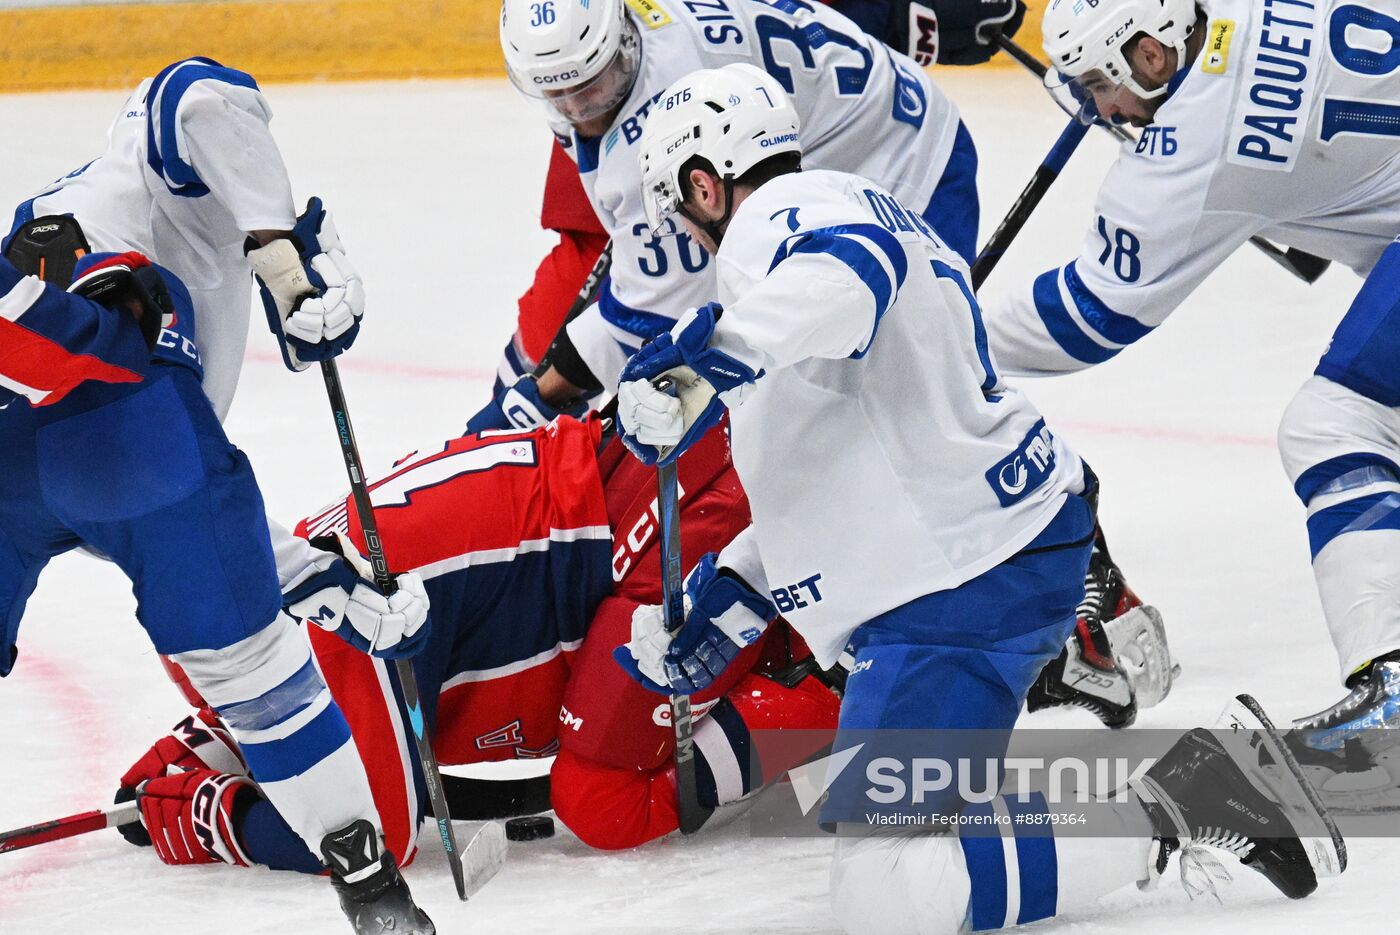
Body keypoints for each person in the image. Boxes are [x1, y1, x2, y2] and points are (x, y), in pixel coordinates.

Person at [614, 62, 1341, 933]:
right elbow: (845, 447)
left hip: (958, 582)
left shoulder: (778, 226)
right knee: (899, 858)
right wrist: (731, 595)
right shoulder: (837, 217)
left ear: (704, 182)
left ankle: (1190, 796)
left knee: (884, 895)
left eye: (684, 215)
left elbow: (854, 276)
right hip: (986, 549)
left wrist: (710, 351)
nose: (691, 241)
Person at [1, 57, 435, 933]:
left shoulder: (140, 240)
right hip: (111, 391)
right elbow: (194, 92)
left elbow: (129, 495)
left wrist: (313, 573)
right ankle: (370, 886)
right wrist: (274, 240)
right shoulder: (149, 166)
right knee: (248, 671)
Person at [978, 0, 1400, 756]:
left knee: (1335, 424)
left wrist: (946, 333)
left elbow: (1089, 316)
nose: (1101, 107)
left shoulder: (1192, 144)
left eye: (1104, 81)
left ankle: (1396, 696)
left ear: (1152, 53)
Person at [471, 0, 980, 434]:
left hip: (905, 161)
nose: (581, 109)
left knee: (898, 401)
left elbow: (643, 323)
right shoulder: (637, 27)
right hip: (838, 120)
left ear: (622, 42)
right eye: (557, 94)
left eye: (593, 86)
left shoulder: (659, 128)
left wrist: (535, 404)